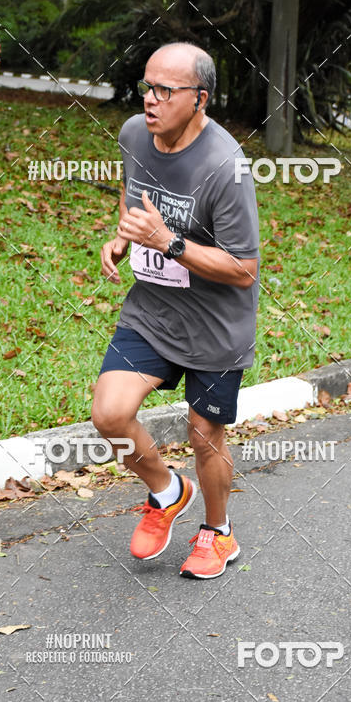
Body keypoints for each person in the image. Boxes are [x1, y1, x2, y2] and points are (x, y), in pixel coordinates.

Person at [92, 41, 260, 579]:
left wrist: (167, 241)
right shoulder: (133, 134)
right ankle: (166, 492)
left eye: (167, 90)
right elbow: (132, 193)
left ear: (201, 99)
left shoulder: (225, 166)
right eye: (148, 86)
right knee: (110, 414)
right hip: (154, 310)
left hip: (215, 323)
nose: (151, 99)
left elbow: (245, 268)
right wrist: (124, 235)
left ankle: (218, 533)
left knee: (204, 433)